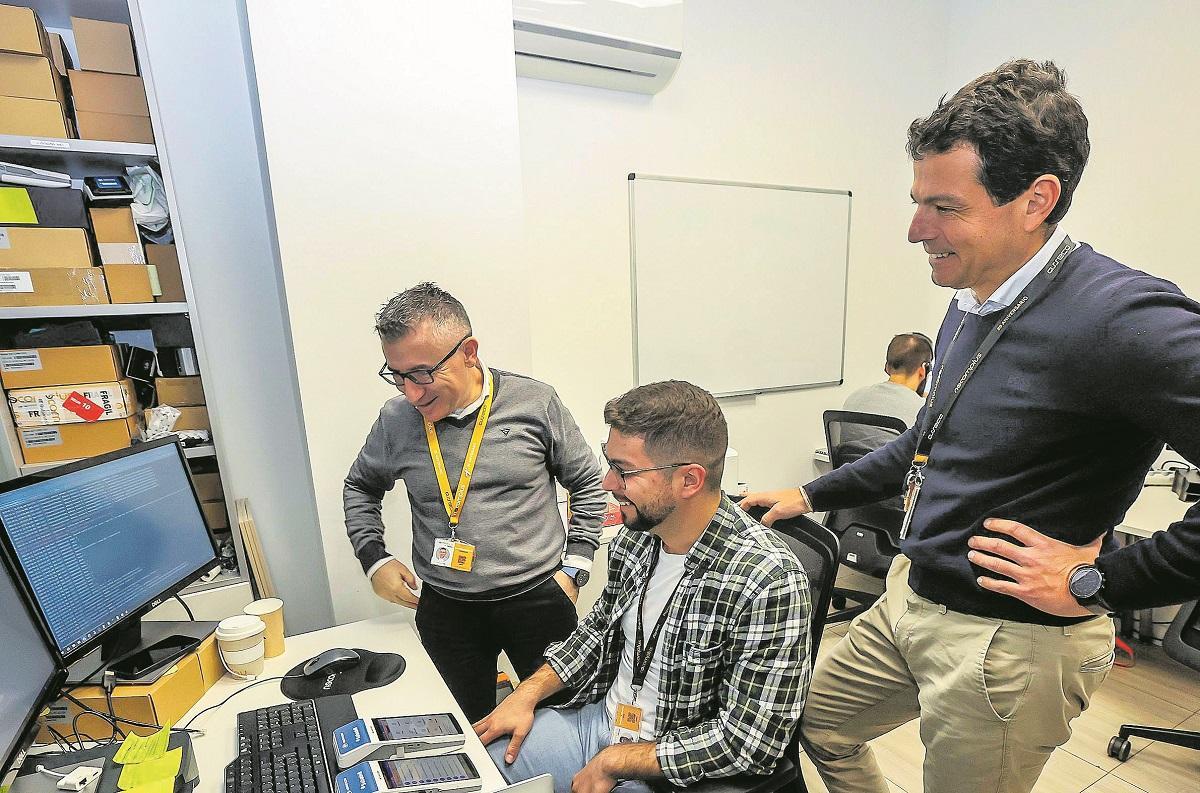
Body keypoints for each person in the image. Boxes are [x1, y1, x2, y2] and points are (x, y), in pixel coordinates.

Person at [741, 59, 1200, 793]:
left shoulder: (1125, 320)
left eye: (944, 208)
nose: (916, 229)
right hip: (910, 596)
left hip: (1006, 644)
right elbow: (926, 442)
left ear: (1036, 199)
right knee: (819, 723)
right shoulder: (975, 297)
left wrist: (1100, 578)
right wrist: (810, 492)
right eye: (918, 201)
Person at [474, 380, 812, 793]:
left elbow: (751, 742)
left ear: (689, 481)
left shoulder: (768, 580)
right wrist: (528, 692)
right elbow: (597, 631)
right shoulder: (638, 536)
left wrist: (618, 761)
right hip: (600, 721)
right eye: (609, 464)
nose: (607, 483)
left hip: (669, 767)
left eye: (624, 471)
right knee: (479, 773)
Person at [344, 282, 606, 722]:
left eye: (423, 373)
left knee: (564, 719)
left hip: (537, 598)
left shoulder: (534, 402)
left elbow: (586, 482)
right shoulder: (396, 420)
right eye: (397, 375)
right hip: (447, 608)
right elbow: (360, 486)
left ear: (469, 352)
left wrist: (577, 566)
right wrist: (374, 559)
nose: (411, 393)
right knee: (458, 724)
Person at [837, 332, 933, 456]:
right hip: (895, 475)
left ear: (887, 367)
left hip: (852, 474)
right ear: (923, 370)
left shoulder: (854, 398)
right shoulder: (923, 411)